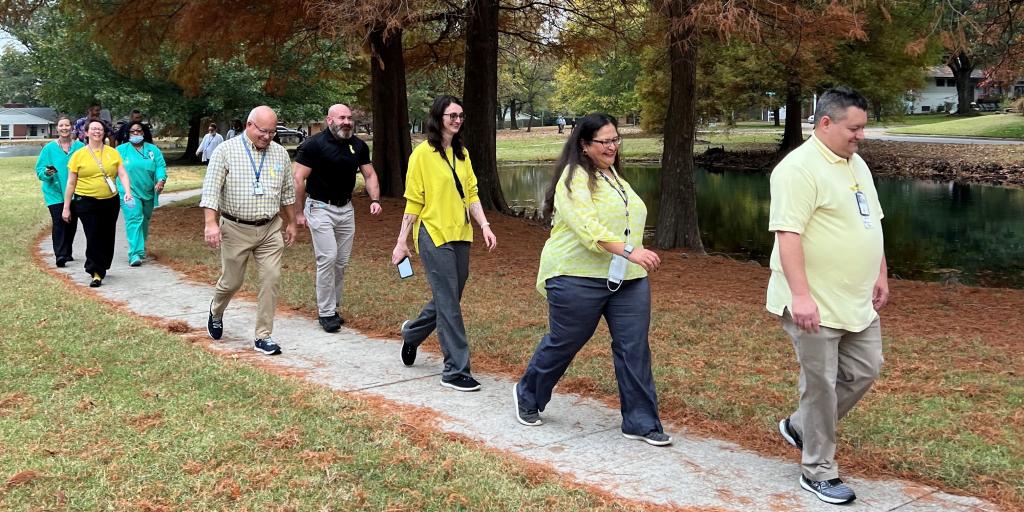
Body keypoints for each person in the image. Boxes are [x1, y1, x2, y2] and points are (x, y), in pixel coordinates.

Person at [511, 113, 671, 447]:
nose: (612, 147)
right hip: (576, 274)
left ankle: (641, 422)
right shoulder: (574, 178)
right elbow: (588, 228)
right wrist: (631, 251)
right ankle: (528, 393)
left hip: (627, 277)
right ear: (584, 145)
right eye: (605, 141)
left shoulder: (615, 177)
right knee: (566, 341)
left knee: (633, 347)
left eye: (615, 140)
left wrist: (630, 255)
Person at [768, 87, 887, 505]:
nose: (861, 136)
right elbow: (788, 235)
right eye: (854, 128)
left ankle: (801, 427)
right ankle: (818, 470)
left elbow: (872, 222)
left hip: (856, 298)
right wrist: (801, 297)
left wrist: (880, 273)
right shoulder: (797, 169)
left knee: (866, 368)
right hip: (814, 301)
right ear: (825, 123)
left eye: (863, 128)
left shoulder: (857, 164)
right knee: (820, 385)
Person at [391, 95, 497, 392]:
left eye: (461, 115)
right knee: (449, 301)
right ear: (438, 118)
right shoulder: (421, 155)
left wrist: (485, 226)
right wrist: (401, 241)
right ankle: (455, 370)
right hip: (433, 233)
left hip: (461, 233)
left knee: (449, 296)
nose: (457, 120)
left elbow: (471, 193)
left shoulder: (463, 153)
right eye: (452, 115)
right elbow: (414, 202)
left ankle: (412, 334)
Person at [200, 106, 297, 356]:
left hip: (269, 228)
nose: (267, 137)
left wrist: (292, 222)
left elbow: (288, 192)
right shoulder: (225, 151)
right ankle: (216, 310)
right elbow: (211, 191)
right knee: (232, 281)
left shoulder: (280, 154)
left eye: (272, 132)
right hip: (235, 228)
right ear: (249, 125)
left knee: (271, 279)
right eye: (263, 131)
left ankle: (263, 336)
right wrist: (211, 223)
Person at [294, 104, 382, 332]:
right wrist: (298, 212)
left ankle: (333, 308)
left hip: (346, 209)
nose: (347, 122)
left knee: (341, 262)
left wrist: (375, 200)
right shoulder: (314, 145)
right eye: (342, 118)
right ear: (330, 120)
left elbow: (369, 174)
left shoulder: (358, 145)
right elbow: (298, 178)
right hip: (320, 207)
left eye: (349, 118)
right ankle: (325, 313)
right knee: (328, 257)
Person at [62, 120, 132, 287]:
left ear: (104, 133)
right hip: (86, 201)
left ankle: (102, 264)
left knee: (107, 235)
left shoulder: (113, 153)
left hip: (110, 201)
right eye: (93, 129)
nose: (97, 132)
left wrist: (128, 192)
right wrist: (66, 207)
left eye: (100, 129)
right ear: (86, 133)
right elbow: (71, 182)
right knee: (93, 234)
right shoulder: (78, 155)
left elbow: (122, 174)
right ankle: (95, 271)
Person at [116, 122, 167, 266]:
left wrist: (161, 180)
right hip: (128, 192)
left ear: (143, 133)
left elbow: (160, 166)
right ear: (128, 134)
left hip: (148, 191)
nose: (136, 133)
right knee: (134, 218)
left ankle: (141, 247)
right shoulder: (120, 150)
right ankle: (134, 254)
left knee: (144, 220)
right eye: (132, 131)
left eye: (138, 131)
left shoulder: (153, 150)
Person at [35, 116, 84, 267]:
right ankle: (60, 255)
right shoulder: (49, 148)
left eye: (67, 125)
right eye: (61, 125)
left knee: (71, 222)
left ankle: (67, 251)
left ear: (72, 127)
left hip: (75, 192)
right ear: (57, 128)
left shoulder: (80, 147)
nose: (64, 128)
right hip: (55, 192)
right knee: (59, 222)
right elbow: (39, 170)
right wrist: (47, 173)